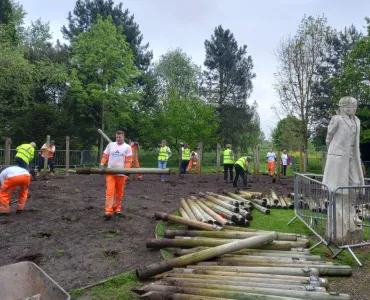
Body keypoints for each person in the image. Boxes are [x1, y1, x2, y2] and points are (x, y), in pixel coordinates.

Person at [323, 96, 364, 244]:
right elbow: (328, 138)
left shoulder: (357, 120)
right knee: (339, 189)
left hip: (353, 157)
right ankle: (341, 219)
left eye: (355, 106)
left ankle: (351, 211)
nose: (354, 109)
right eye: (352, 106)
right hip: (339, 158)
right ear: (343, 107)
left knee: (356, 182)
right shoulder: (337, 119)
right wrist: (335, 153)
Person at [99, 130, 132, 220]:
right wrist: (102, 164)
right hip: (110, 173)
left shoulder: (127, 147)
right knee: (109, 191)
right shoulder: (111, 145)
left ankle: (117, 209)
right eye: (117, 137)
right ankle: (108, 211)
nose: (118, 138)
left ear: (123, 137)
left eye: (120, 137)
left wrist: (127, 169)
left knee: (119, 193)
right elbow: (105, 155)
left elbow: (128, 160)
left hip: (121, 174)